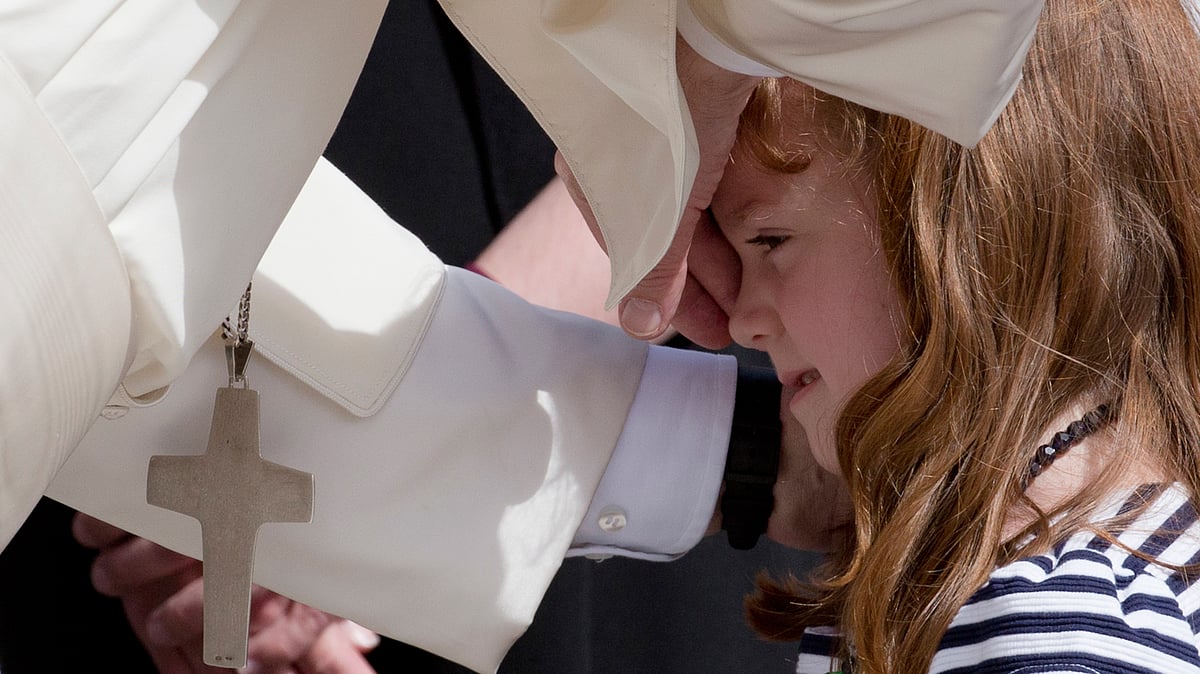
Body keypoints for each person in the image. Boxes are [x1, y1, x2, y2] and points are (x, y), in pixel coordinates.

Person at [698, 0, 1200, 671]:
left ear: (975, 226)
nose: (741, 320)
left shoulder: (1046, 636)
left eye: (771, 240)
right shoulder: (1131, 552)